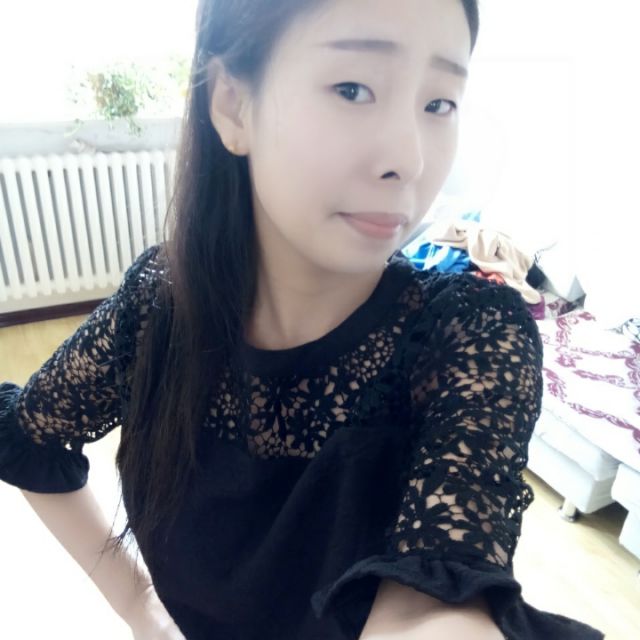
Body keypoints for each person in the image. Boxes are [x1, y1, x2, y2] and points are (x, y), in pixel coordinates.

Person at [0, 1, 605, 638]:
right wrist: (140, 609)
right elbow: (28, 438)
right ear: (234, 106)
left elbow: (437, 601)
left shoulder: (468, 336)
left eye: (439, 103)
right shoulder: (158, 306)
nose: (409, 159)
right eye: (353, 89)